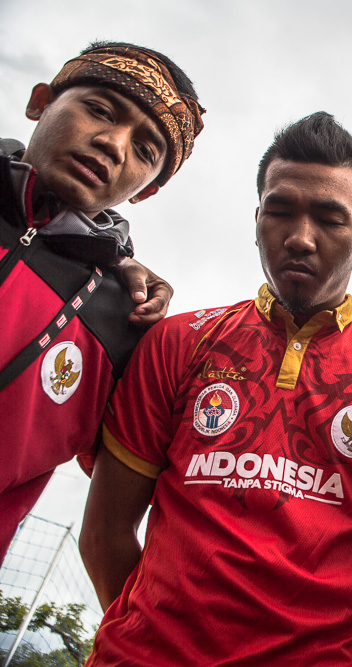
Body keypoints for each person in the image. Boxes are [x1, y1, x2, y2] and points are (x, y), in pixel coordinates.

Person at [79, 112, 352, 665]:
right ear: (255, 221)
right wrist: (153, 639)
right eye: (280, 211)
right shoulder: (178, 341)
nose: (300, 237)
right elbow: (105, 530)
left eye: (330, 219)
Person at [0, 41, 203, 556]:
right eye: (99, 110)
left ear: (147, 191)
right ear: (41, 101)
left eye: (145, 151)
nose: (114, 144)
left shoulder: (125, 322)